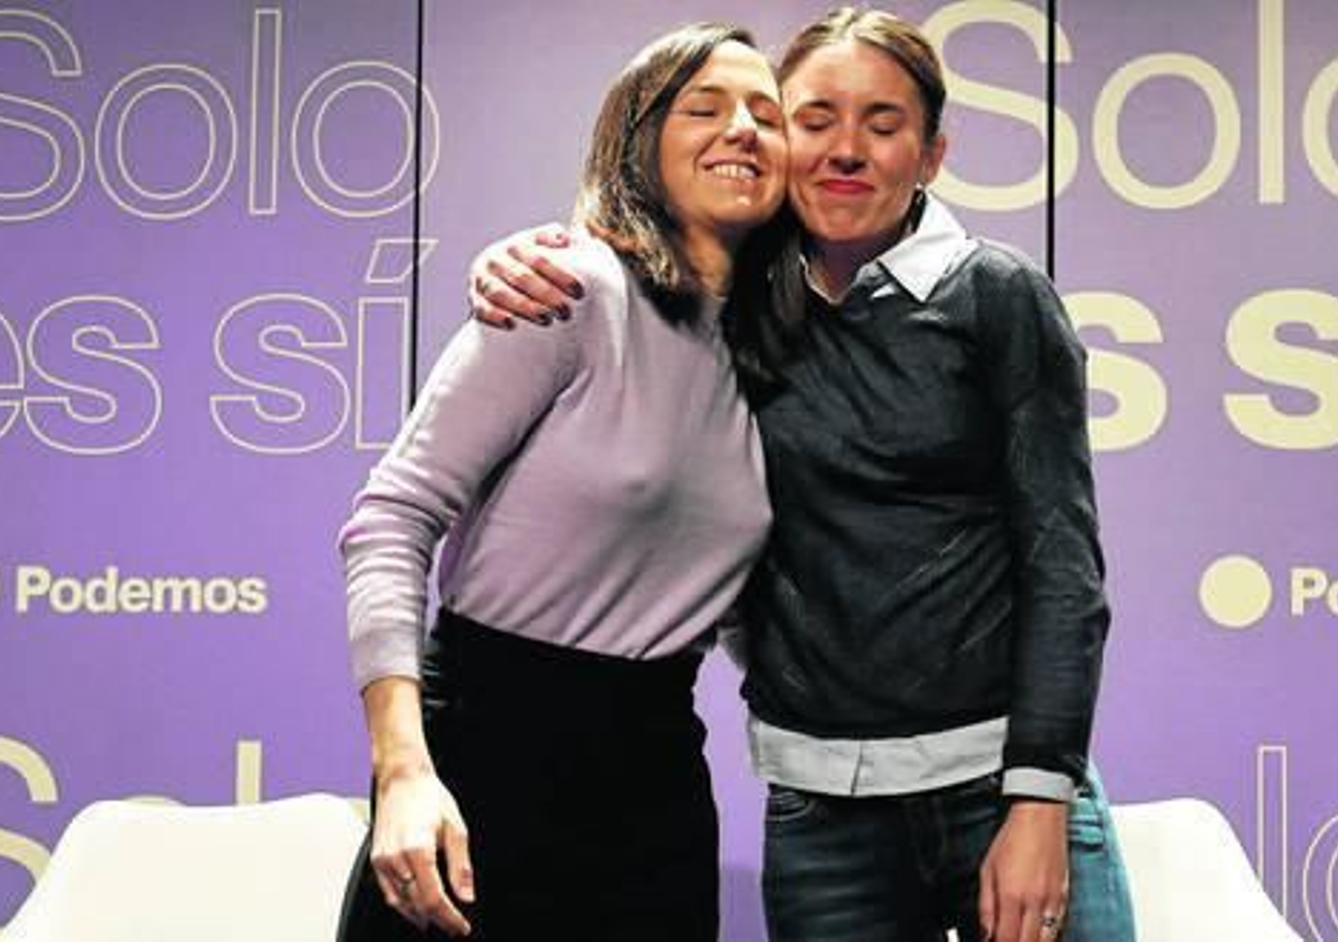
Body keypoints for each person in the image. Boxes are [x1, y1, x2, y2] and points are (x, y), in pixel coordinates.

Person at [468, 8, 1137, 942]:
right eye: (815, 118)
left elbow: (1065, 567)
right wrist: (513, 258)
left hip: (1001, 790)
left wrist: (1038, 805)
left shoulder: (997, 295)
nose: (846, 150)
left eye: (884, 124)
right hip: (823, 816)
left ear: (933, 155)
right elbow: (623, 251)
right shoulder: (736, 300)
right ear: (780, 140)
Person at [335, 22, 788, 942]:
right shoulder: (565, 290)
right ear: (638, 142)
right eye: (704, 107)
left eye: (766, 114)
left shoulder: (781, 359)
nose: (742, 127)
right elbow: (393, 516)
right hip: (486, 764)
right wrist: (405, 773)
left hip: (655, 783)